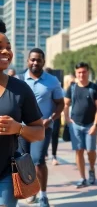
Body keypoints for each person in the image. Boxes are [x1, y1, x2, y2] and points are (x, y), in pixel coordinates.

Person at [0, 27, 44, 207]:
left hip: (6, 175)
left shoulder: (20, 89)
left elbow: (39, 132)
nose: (5, 51)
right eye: (0, 46)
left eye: (8, 47)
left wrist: (18, 128)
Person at [18, 48, 65, 207]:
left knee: (38, 161)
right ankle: (32, 191)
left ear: (43, 62)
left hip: (42, 128)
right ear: (28, 61)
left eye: (38, 60)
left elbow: (60, 104)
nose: (35, 62)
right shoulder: (20, 80)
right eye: (32, 59)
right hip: (22, 129)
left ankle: (43, 195)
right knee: (24, 162)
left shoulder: (52, 81)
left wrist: (50, 119)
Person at [64, 62, 97, 188]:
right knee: (79, 151)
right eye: (79, 72)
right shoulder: (72, 88)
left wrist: (95, 125)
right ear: (76, 73)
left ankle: (91, 168)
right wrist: (67, 119)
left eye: (84, 72)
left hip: (90, 125)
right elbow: (66, 104)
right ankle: (82, 177)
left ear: (88, 72)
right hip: (76, 125)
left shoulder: (94, 88)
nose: (81, 74)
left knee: (91, 151)